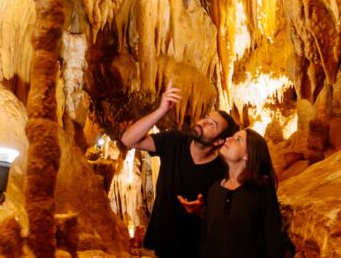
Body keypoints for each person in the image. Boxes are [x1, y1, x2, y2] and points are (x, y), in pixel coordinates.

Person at [121, 84, 238, 258]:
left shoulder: (222, 171)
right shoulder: (175, 141)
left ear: (218, 142)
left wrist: (202, 211)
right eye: (206, 118)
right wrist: (161, 110)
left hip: (194, 250)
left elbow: (226, 219)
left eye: (212, 125)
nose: (203, 122)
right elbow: (128, 140)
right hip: (157, 246)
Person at [200, 128, 284, 258]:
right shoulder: (215, 190)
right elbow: (207, 240)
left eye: (238, 139)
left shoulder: (261, 188)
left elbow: (273, 239)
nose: (228, 139)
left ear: (248, 155)